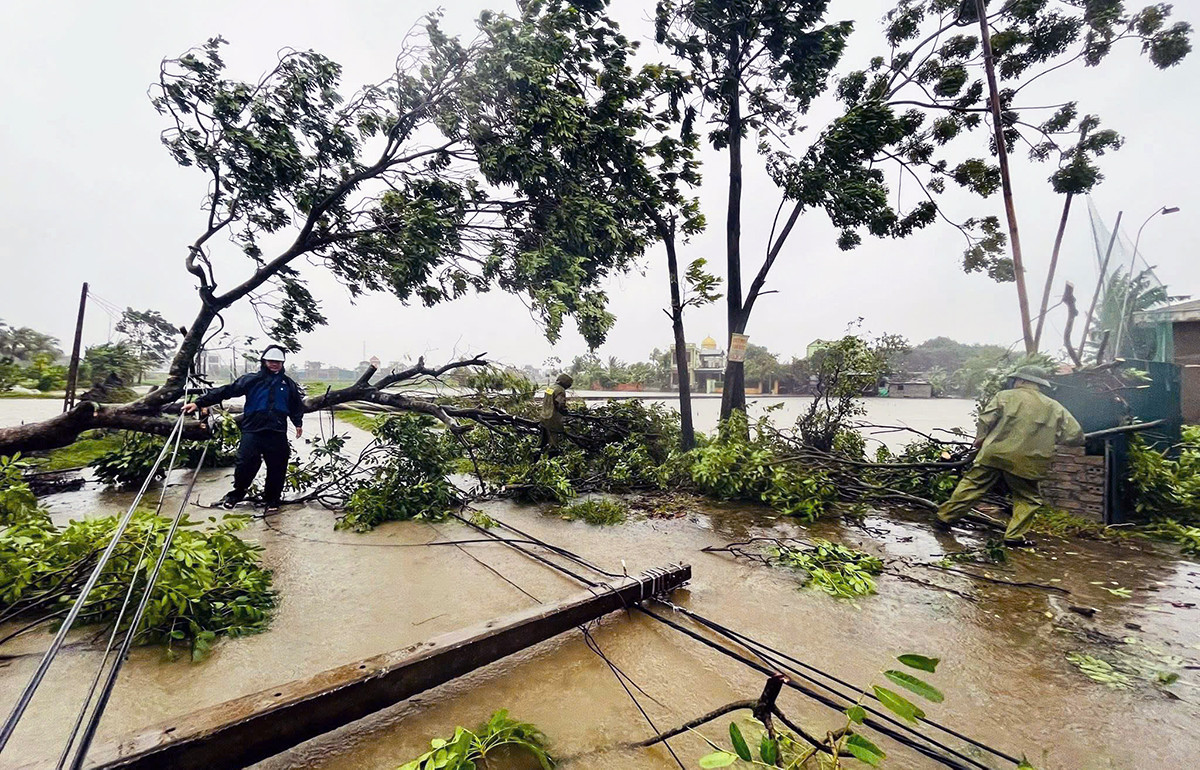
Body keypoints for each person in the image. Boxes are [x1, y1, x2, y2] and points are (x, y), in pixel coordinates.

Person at [935, 366, 1084, 545]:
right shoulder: (1055, 407)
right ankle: (1014, 536)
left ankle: (943, 518)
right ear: (1040, 384)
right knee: (1027, 498)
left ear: (1021, 381)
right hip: (1028, 460)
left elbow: (985, 420)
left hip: (994, 453)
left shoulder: (1004, 396)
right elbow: (1075, 436)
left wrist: (980, 439)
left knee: (972, 486)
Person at [183, 345, 305, 512]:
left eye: (278, 362)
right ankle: (236, 495)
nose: (274, 364)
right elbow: (227, 390)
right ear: (264, 361)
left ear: (282, 363)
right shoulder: (252, 380)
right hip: (252, 430)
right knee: (245, 463)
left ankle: (272, 500)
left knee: (278, 466)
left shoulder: (288, 383)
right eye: (271, 361)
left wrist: (298, 423)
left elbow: (295, 405)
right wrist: (199, 403)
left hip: (276, 431)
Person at [539, 373, 573, 454]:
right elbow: (560, 404)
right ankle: (551, 457)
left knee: (543, 439)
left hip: (544, 416)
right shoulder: (560, 390)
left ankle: (538, 454)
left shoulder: (550, 388)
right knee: (553, 441)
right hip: (553, 418)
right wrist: (565, 412)